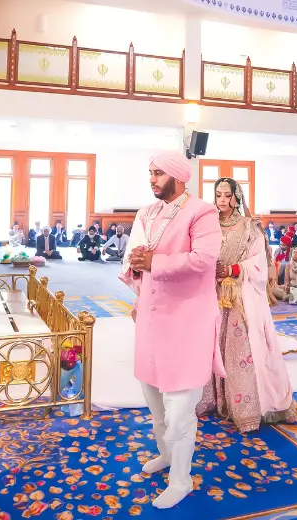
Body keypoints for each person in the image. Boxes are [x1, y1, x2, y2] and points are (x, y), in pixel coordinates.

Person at [120, 150, 221, 509]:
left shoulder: (202, 212)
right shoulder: (146, 213)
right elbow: (135, 254)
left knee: (180, 408)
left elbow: (205, 259)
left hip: (187, 320)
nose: (151, 178)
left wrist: (155, 261)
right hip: (151, 316)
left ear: (178, 176)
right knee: (154, 401)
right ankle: (166, 454)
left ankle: (181, 480)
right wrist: (135, 263)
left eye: (158, 173)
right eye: (149, 172)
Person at [197, 178, 295, 432]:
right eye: (217, 194)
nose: (221, 199)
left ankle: (244, 406)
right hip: (212, 293)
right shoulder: (207, 226)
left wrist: (232, 268)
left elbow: (260, 263)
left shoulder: (249, 227)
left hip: (240, 295)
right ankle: (216, 400)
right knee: (211, 345)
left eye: (226, 194)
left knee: (239, 349)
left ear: (236, 197)